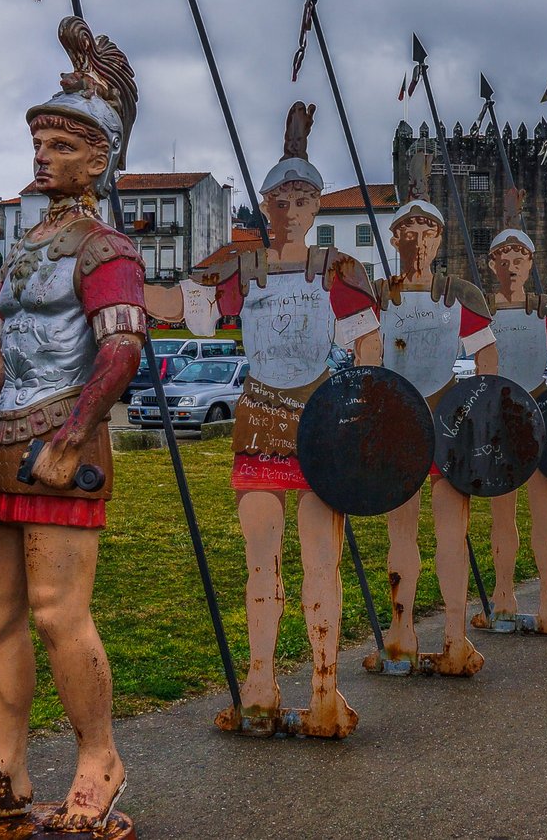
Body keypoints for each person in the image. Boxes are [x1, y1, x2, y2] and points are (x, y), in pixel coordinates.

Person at [0, 17, 143, 833]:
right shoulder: (24, 250)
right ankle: (4, 773)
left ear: (98, 157)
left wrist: (76, 434)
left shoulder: (107, 245)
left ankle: (99, 762)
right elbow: (8, 359)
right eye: (40, 140)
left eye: (59, 143)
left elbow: (120, 349)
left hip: (62, 445)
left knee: (58, 611)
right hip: (7, 442)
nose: (42, 154)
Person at [201, 102, 382, 739]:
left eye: (303, 200)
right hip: (258, 420)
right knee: (259, 562)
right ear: (266, 206)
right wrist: (126, 287)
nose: (290, 210)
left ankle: (326, 690)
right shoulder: (243, 271)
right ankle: (259, 687)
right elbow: (189, 308)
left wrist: (361, 408)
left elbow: (367, 344)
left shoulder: (335, 271)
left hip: (318, 422)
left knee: (320, 561)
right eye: (280, 199)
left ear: (315, 208)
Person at [369, 172, 498, 677]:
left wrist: (481, 419)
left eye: (428, 229)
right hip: (399, 419)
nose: (418, 238)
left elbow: (487, 357)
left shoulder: (458, 294)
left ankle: (454, 636)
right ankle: (400, 638)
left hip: (447, 420)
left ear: (439, 238)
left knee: (451, 534)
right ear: (395, 238)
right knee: (400, 535)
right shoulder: (380, 294)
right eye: (409, 229)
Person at [474, 226, 547, 634]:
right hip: (499, 417)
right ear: (492, 265)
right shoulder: (481, 312)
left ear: (531, 264)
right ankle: (502, 599)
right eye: (504, 259)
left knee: (543, 515)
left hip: (538, 414)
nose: (512, 267)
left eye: (520, 260)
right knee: (502, 517)